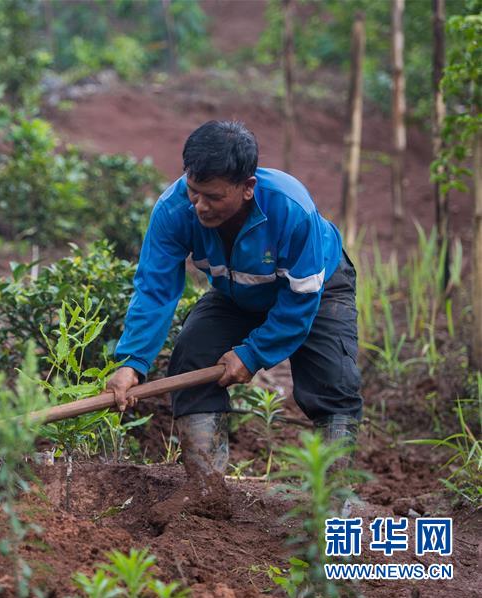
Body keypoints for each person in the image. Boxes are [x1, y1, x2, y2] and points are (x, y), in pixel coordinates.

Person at [106, 120, 362, 475]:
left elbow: (301, 299)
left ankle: (331, 505)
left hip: (316, 288)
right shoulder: (173, 209)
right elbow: (155, 289)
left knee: (334, 381)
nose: (200, 205)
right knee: (193, 353)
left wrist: (253, 353)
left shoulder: (291, 209)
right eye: (194, 190)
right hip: (236, 293)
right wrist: (132, 362)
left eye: (213, 197)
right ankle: (206, 490)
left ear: (247, 187)